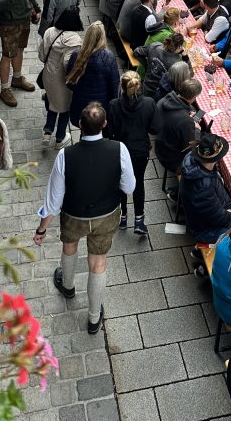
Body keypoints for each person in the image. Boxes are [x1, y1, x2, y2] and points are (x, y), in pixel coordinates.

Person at [34, 102, 135, 335]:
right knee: (98, 264)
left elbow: (53, 201)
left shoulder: (65, 155)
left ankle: (68, 286)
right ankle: (92, 318)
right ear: (105, 125)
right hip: (107, 214)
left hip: (74, 214)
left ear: (79, 125)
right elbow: (129, 187)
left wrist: (41, 230)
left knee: (69, 246)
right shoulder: (119, 149)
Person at [105, 70, 158, 236]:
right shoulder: (149, 103)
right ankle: (139, 220)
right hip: (140, 151)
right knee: (138, 182)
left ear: (122, 87)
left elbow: (108, 131)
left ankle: (122, 217)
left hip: (120, 151)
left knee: (120, 182)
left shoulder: (113, 104)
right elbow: (154, 128)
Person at [179, 129, 231, 245]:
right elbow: (217, 218)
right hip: (204, 230)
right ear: (215, 158)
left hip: (204, 215)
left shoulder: (192, 159)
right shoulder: (203, 186)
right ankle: (198, 252)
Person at [38, 6, 83, 150]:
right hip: (63, 81)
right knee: (65, 108)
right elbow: (68, 64)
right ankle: (60, 138)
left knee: (52, 102)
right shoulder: (75, 40)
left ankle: (47, 131)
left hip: (48, 75)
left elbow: (41, 55)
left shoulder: (49, 32)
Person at [153, 76, 202, 197]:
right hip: (172, 157)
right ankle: (180, 195)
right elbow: (191, 147)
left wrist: (186, 115)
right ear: (194, 97)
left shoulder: (164, 100)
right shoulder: (184, 121)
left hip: (160, 145)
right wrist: (196, 129)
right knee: (204, 161)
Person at [64, 21, 120, 126]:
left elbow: (70, 82)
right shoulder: (108, 57)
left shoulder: (77, 55)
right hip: (100, 109)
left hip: (80, 105)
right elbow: (114, 85)